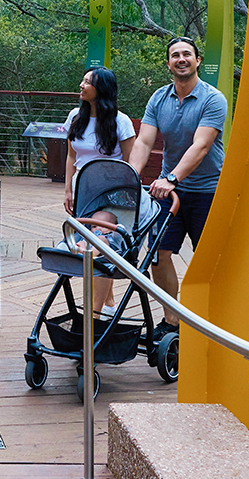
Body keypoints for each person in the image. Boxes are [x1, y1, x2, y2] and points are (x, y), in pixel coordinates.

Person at [126, 36, 227, 341]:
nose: (181, 59)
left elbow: (202, 145)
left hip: (206, 190)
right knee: (159, 254)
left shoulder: (213, 99)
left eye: (187, 54)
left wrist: (172, 178)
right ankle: (172, 321)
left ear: (197, 61)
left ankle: (212, 320)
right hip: (169, 194)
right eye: (175, 55)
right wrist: (130, 177)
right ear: (168, 63)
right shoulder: (159, 98)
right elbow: (144, 141)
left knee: (208, 258)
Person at [62, 67, 136, 315]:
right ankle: (109, 302)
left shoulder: (120, 121)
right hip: (83, 188)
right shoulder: (75, 115)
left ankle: (93, 315)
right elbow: (72, 155)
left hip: (111, 192)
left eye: (87, 82)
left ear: (101, 90)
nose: (81, 86)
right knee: (89, 240)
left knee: (100, 243)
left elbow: (130, 162)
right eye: (82, 80)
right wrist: (67, 190)